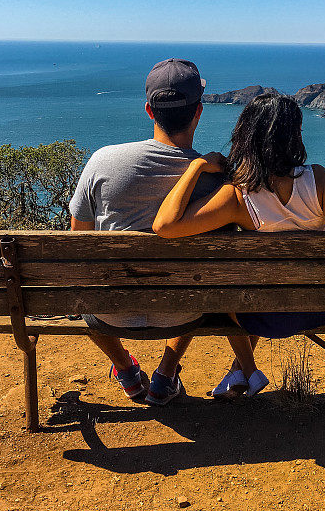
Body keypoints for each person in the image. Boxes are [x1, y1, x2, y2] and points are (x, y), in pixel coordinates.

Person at [152, 93, 325, 398]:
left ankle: (243, 371)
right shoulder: (320, 181)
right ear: (295, 135)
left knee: (225, 290)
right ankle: (240, 373)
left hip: (259, 316)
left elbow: (164, 226)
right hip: (316, 309)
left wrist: (196, 167)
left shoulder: (237, 197)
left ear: (245, 136)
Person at [69, 58, 223, 406]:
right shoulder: (215, 178)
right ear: (199, 111)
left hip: (110, 311)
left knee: (85, 294)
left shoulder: (102, 161)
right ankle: (166, 374)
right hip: (184, 310)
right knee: (201, 288)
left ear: (149, 111)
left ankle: (125, 369)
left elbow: (77, 244)